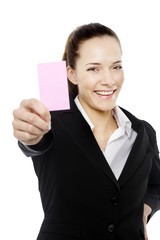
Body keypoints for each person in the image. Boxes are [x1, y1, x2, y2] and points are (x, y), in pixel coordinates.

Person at [12, 23, 160, 240]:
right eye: (93, 68)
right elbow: (36, 143)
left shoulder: (142, 131)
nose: (109, 80)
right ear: (71, 74)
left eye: (116, 66)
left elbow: (156, 185)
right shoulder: (52, 123)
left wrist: (145, 209)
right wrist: (30, 135)